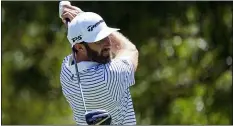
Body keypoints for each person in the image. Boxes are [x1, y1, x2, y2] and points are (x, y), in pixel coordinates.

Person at [59, 4, 139, 125]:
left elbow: (76, 46)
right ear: (80, 47)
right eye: (99, 40)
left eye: (107, 35)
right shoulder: (109, 77)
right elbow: (129, 49)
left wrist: (77, 25)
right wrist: (80, 17)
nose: (108, 43)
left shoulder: (66, 71)